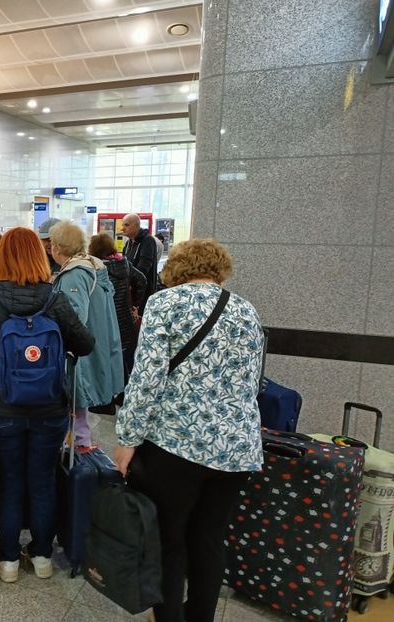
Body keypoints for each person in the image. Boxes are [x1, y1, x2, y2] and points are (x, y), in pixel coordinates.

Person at [113, 239, 264, 622]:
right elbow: (251, 383)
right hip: (237, 449)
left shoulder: (164, 304)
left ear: (176, 268)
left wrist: (128, 438)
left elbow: (146, 380)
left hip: (177, 445)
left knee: (169, 539)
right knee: (210, 539)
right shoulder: (246, 310)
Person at [0, 227, 94, 583]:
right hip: (50, 408)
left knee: (10, 481)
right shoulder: (55, 299)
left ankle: (8, 560)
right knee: (43, 480)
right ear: (40, 255)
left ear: (2, 257)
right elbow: (85, 344)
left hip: (3, 409)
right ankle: (43, 556)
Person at [49, 221, 123, 449]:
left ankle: (78, 445)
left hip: (80, 350)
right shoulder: (93, 267)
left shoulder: (74, 275)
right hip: (96, 343)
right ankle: (81, 442)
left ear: (57, 247)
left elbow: (73, 317)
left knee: (77, 397)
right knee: (81, 403)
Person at [88, 232, 146, 383]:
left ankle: (111, 390)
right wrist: (135, 305)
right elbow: (141, 280)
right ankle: (125, 389)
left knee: (108, 359)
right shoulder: (124, 264)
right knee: (125, 359)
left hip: (107, 320)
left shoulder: (96, 270)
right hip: (126, 320)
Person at [121, 213, 158, 313]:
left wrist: (130, 281)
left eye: (126, 225)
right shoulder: (128, 243)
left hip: (143, 291)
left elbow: (144, 267)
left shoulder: (148, 241)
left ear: (137, 225)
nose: (122, 228)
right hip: (131, 290)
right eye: (123, 225)